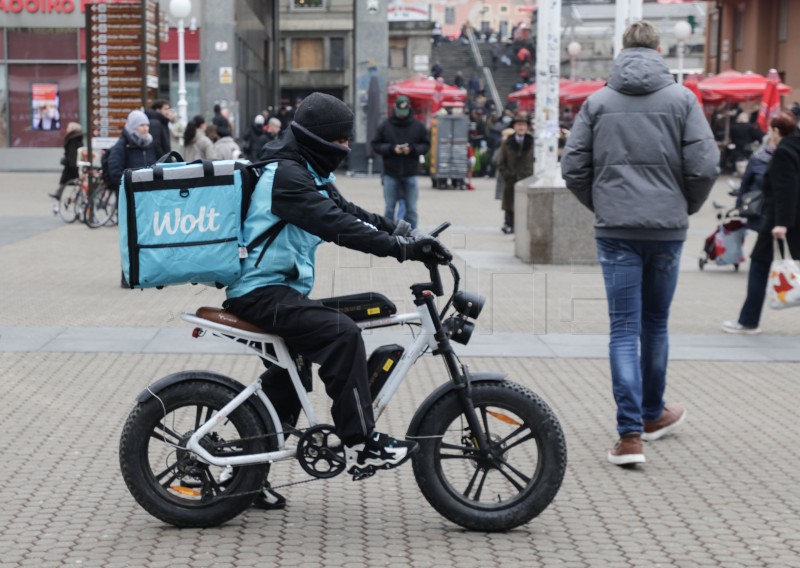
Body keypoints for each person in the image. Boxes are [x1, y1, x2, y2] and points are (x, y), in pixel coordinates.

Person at [221, 92, 452, 504]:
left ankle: (248, 478)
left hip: (278, 290)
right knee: (341, 334)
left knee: (295, 373)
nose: (346, 149)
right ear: (320, 139)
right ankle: (361, 443)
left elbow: (350, 211)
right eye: (342, 141)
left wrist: (405, 231)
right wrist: (401, 251)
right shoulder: (286, 177)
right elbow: (336, 225)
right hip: (258, 293)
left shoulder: (306, 169)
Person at [561, 20, 719, 466]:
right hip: (666, 229)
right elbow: (705, 166)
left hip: (616, 231)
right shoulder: (683, 99)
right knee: (656, 324)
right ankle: (652, 414)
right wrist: (683, 206)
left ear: (623, 50)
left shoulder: (597, 102)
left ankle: (630, 436)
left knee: (622, 330)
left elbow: (572, 168)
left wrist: (605, 204)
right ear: (659, 50)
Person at [722, 111, 800, 334]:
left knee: (758, 267)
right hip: (793, 219)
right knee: (759, 267)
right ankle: (747, 320)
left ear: (776, 131)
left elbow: (786, 189)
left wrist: (781, 223)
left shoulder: (784, 152)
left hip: (780, 221)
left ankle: (748, 321)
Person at [371, 96, 430, 229]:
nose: (401, 114)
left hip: (410, 173)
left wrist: (412, 150)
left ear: (409, 109)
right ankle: (387, 235)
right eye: (399, 110)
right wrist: (392, 149)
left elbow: (426, 145)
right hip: (390, 173)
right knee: (390, 209)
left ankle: (413, 236)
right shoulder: (385, 125)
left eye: (404, 110)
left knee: (412, 210)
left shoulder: (418, 126)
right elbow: (375, 145)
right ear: (395, 109)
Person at [496, 113, 533, 234]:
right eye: (518, 125)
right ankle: (509, 224)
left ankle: (523, 225)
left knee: (525, 205)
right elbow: (500, 162)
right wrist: (507, 175)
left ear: (527, 127)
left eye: (523, 125)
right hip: (511, 179)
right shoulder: (507, 142)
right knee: (509, 204)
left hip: (527, 179)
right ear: (514, 127)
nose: (521, 127)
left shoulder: (532, 142)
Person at [107, 110, 158, 190]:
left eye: (147, 125)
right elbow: (115, 172)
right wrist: (130, 185)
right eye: (141, 125)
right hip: (130, 194)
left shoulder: (149, 144)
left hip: (149, 193)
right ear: (133, 127)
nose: (145, 129)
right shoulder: (123, 145)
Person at [49, 122, 83, 200]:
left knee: (74, 181)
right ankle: (58, 194)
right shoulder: (75, 137)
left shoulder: (72, 139)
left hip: (72, 164)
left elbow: (72, 153)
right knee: (67, 180)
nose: (67, 129)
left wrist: (73, 164)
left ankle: (80, 195)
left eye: (68, 127)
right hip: (73, 163)